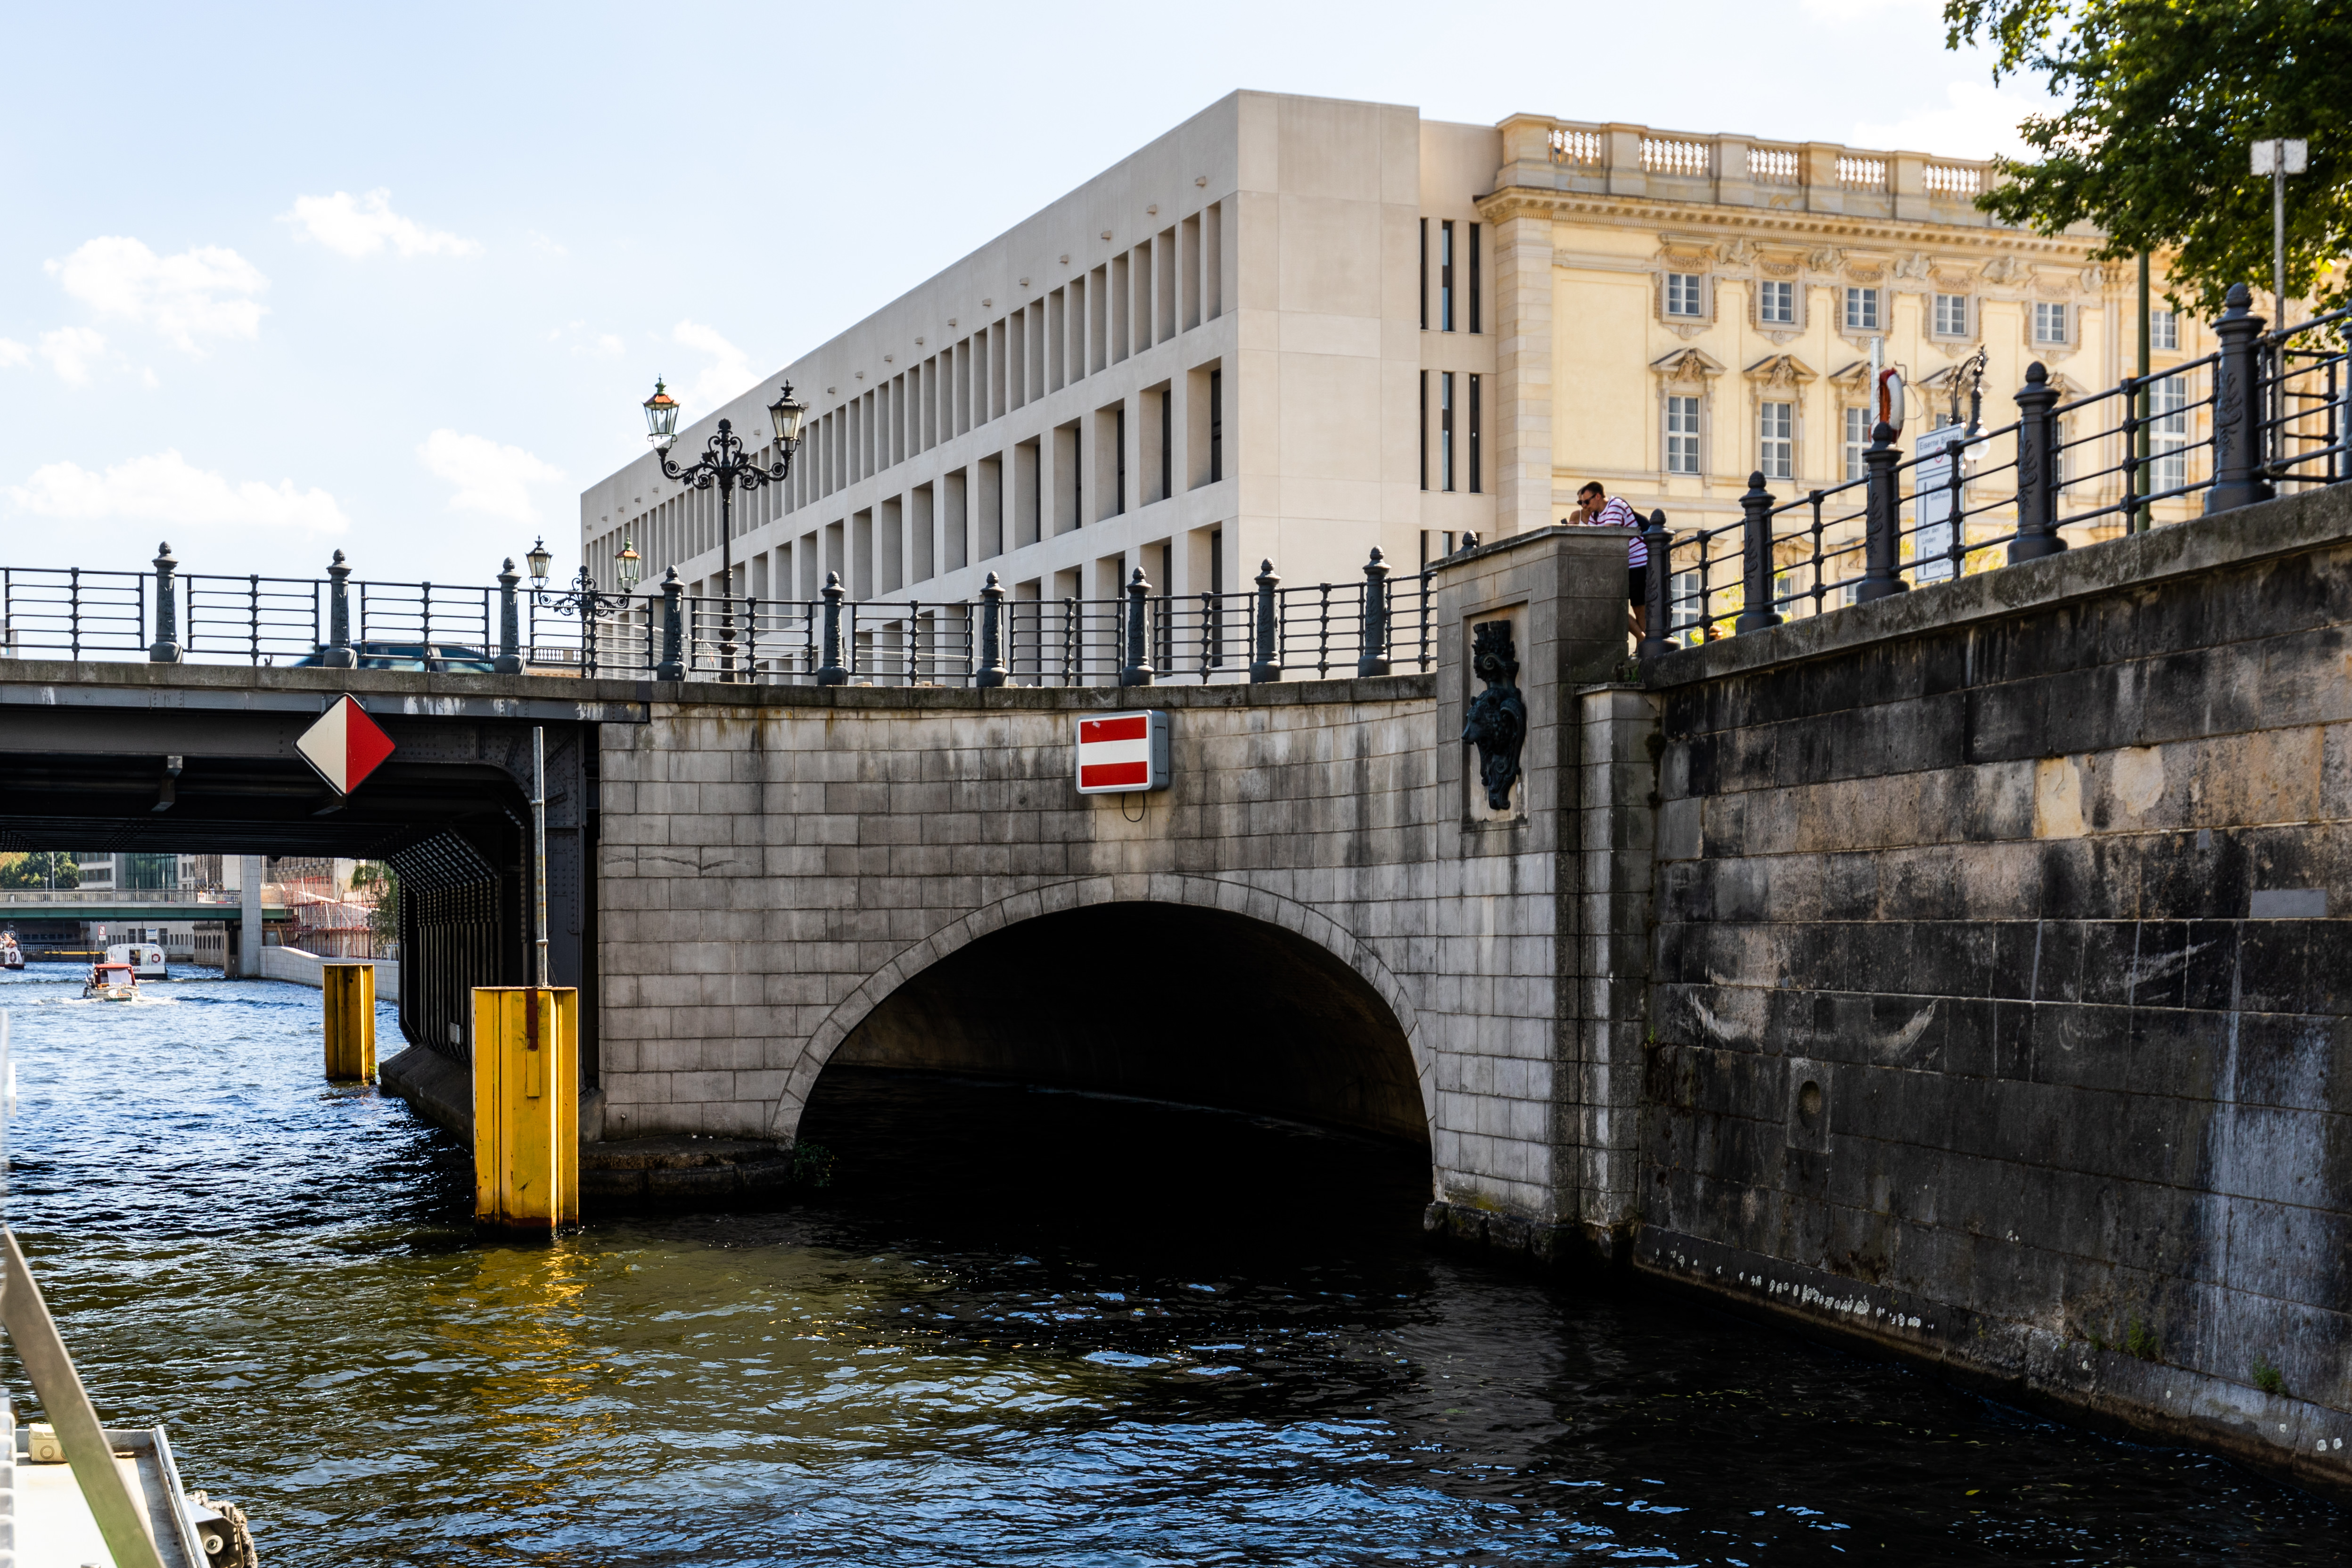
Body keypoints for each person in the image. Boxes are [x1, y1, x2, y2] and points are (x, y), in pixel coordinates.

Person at [1571, 482, 1647, 639]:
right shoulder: (1596, 515)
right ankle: (1643, 639)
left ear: (1598, 496)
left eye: (1587, 502)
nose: (1584, 506)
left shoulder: (1615, 505)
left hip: (1637, 561)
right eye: (1581, 503)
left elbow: (1607, 537)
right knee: (1613, 604)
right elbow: (1592, 540)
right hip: (1621, 564)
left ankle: (1644, 642)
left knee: (1639, 606)